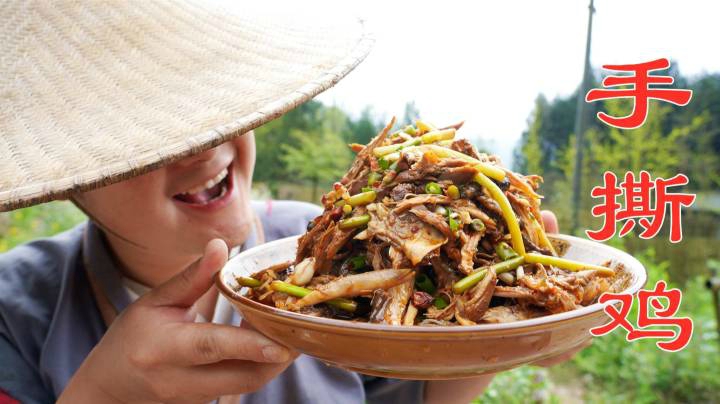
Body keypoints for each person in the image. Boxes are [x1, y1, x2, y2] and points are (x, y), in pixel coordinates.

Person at [0, 2, 585, 403]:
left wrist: (497, 338)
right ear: (68, 179)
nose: (202, 147)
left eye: (209, 103)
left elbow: (414, 387)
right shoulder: (15, 311)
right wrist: (104, 392)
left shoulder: (335, 247)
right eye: (141, 139)